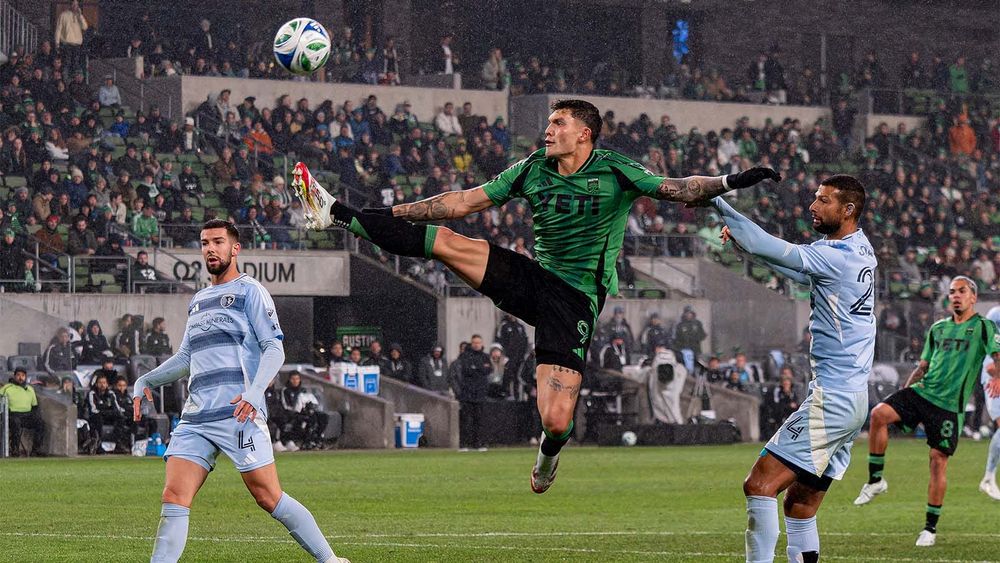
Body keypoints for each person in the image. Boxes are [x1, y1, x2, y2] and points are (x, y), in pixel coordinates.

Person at [291, 98, 777, 493]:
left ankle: (548, 455)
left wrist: (730, 182)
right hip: (533, 278)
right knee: (445, 241)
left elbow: (680, 188)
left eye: (558, 123)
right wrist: (384, 214)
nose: (548, 130)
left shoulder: (616, 170)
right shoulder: (531, 168)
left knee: (557, 419)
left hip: (574, 300)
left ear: (584, 133)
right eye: (548, 122)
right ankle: (338, 214)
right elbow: (460, 202)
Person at [131, 219, 348, 563]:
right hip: (196, 418)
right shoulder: (198, 299)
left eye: (218, 242)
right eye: (205, 243)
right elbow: (186, 357)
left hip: (239, 413)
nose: (210, 249)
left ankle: (330, 560)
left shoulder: (250, 291)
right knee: (174, 495)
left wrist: (255, 392)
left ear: (235, 248)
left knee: (268, 497)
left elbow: (274, 348)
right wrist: (146, 380)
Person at [715, 174, 875, 563]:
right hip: (853, 399)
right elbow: (796, 268)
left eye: (823, 201)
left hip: (833, 399)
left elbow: (768, 245)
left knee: (759, 484)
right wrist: (747, 245)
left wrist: (715, 200)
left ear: (847, 209)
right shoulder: (858, 249)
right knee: (800, 505)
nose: (812, 207)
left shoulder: (837, 256)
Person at [853, 277, 999, 547]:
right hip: (923, 392)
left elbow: (998, 355)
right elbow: (923, 366)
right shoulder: (938, 328)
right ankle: (875, 481)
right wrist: (905, 392)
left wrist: (998, 376)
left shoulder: (983, 327)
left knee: (937, 461)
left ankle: (929, 529)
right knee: (879, 414)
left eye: (962, 291)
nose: (956, 296)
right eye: (952, 292)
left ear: (973, 297)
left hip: (948, 406)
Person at [455, 335, 491, 451]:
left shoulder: (485, 356)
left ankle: (478, 444)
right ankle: (464, 444)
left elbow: (488, 370)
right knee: (466, 420)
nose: (476, 345)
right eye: (474, 342)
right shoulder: (465, 355)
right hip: (467, 393)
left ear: (482, 343)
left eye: (478, 342)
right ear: (471, 343)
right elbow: (466, 370)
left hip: (480, 393)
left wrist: (476, 368)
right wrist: (480, 369)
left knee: (479, 420)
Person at [0, 368, 47, 456]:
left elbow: (34, 406)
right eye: (18, 375)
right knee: (16, 422)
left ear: (25, 377)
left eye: (23, 375)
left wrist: (35, 416)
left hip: (27, 415)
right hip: (12, 415)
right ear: (14, 376)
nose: (20, 377)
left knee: (40, 423)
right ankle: (15, 449)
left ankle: (36, 450)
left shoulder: (30, 389)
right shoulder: (7, 388)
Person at [980, 307, 1000, 501]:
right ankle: (988, 477)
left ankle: (989, 477)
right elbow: (988, 345)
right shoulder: (995, 315)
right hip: (994, 376)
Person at [280, 371, 329, 451]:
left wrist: (309, 407)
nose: (295, 381)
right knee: (310, 419)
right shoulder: (286, 390)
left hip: (305, 412)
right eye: (293, 379)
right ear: (289, 380)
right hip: (293, 413)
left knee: (323, 417)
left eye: (297, 379)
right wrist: (297, 409)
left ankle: (318, 438)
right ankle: (307, 441)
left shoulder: (303, 390)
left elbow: (308, 400)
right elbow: (285, 406)